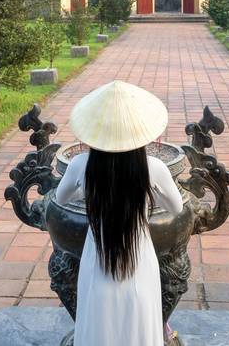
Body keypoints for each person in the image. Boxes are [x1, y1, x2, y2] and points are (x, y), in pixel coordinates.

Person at [55, 80, 184, 346]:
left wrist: (89, 190)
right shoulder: (154, 167)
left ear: (97, 129)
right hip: (138, 252)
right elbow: (176, 207)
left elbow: (61, 197)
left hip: (98, 250)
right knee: (138, 315)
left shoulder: (82, 164)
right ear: (138, 129)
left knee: (98, 315)